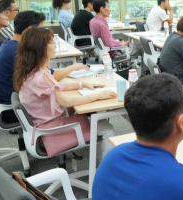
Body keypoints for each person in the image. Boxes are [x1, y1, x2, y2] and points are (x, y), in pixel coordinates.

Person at [13, 27, 116, 160]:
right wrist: (97, 96)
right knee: (107, 128)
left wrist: (81, 84)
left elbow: (55, 86)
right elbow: (66, 101)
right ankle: (107, 171)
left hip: (43, 125)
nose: (55, 45)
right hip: (49, 131)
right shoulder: (40, 77)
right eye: (51, 42)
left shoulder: (33, 71)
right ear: (40, 48)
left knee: (88, 116)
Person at [0, 11, 87, 121]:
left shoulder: (10, 44)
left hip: (13, 101)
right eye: (40, 30)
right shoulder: (19, 52)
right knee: (73, 103)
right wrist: (73, 67)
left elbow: (47, 73)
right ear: (30, 31)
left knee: (71, 102)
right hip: (13, 109)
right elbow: (51, 76)